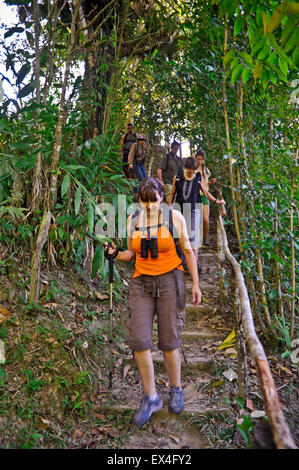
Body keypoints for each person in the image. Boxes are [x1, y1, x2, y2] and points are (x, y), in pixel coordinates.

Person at [105, 177, 201, 427]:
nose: (148, 205)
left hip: (171, 281)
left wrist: (197, 284)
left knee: (169, 341)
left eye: (153, 200)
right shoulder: (133, 220)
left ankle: (176, 388)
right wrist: (116, 254)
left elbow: (188, 251)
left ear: (162, 198)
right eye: (144, 200)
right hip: (142, 282)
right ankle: (150, 396)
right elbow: (130, 253)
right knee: (139, 340)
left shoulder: (174, 218)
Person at [168, 157, 225, 265]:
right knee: (181, 236)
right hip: (179, 210)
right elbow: (172, 193)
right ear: (186, 167)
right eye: (189, 169)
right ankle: (184, 261)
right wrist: (169, 207)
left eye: (193, 170)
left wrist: (216, 200)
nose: (191, 172)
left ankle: (194, 263)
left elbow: (206, 193)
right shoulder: (178, 176)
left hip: (193, 210)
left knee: (193, 237)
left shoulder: (198, 178)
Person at [195, 149, 217, 247]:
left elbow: (204, 185)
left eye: (201, 159)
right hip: (195, 195)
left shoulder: (206, 170)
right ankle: (196, 238)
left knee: (205, 219)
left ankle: (205, 237)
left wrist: (210, 182)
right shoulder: (192, 169)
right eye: (198, 159)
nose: (200, 161)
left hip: (204, 196)